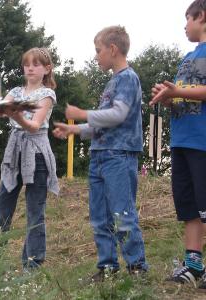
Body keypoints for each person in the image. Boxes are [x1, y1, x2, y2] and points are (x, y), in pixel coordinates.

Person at [53, 26, 148, 281]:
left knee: (122, 213)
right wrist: (75, 130)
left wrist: (82, 114)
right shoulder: (112, 82)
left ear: (113, 49)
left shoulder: (128, 78)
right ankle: (107, 267)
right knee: (99, 216)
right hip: (100, 155)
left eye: (98, 51)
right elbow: (103, 122)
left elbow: (118, 115)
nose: (96, 56)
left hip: (118, 156)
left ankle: (136, 266)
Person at [150, 0, 206, 287]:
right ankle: (194, 265)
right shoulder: (187, 58)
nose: (184, 26)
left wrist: (180, 89)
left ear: (201, 16)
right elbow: (182, 95)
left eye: (187, 19)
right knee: (189, 207)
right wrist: (168, 96)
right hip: (182, 140)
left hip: (202, 141)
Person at [0, 47, 59, 270]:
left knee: (34, 212)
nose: (30, 68)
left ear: (46, 69)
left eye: (36, 64)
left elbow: (34, 126)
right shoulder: (15, 91)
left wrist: (16, 114)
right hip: (14, 153)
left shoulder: (47, 94)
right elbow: (1, 110)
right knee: (2, 207)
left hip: (37, 154)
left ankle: (32, 265)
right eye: (27, 64)